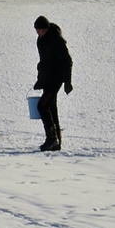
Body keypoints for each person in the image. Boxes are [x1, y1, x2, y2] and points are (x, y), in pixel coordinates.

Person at [33, 16, 73, 151]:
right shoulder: (40, 40)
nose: (39, 32)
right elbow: (44, 62)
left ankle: (51, 139)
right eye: (37, 30)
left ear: (46, 29)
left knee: (42, 106)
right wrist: (40, 80)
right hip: (47, 79)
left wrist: (67, 82)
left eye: (40, 30)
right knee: (51, 109)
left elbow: (67, 61)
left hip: (56, 79)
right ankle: (56, 142)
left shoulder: (56, 40)